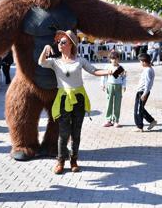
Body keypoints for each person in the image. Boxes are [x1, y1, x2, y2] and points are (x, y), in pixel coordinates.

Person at [38, 30, 112, 174]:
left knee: (76, 133)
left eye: (63, 42)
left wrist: (110, 72)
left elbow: (94, 71)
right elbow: (41, 62)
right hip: (64, 98)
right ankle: (60, 161)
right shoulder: (55, 62)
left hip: (79, 98)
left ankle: (74, 160)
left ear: (71, 44)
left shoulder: (80, 60)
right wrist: (45, 49)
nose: (60, 44)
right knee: (63, 133)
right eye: (59, 42)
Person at [101, 51, 126, 128]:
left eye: (116, 59)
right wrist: (102, 84)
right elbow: (103, 76)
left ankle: (116, 120)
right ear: (110, 59)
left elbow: (124, 78)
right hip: (110, 86)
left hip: (118, 87)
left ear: (119, 59)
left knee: (117, 104)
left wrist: (124, 86)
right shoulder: (107, 66)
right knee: (109, 103)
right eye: (112, 59)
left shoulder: (121, 68)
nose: (114, 60)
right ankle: (108, 120)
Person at [133, 53, 157, 132]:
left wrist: (144, 93)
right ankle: (152, 121)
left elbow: (148, 83)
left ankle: (139, 127)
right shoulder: (149, 69)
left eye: (140, 61)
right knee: (140, 108)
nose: (140, 63)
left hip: (142, 92)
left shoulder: (148, 70)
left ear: (144, 62)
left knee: (138, 110)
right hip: (141, 91)